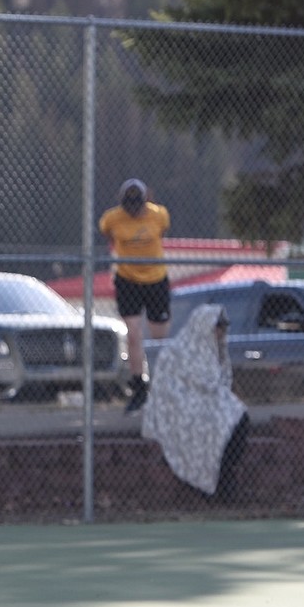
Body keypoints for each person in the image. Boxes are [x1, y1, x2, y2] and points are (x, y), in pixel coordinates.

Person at [142, 304, 249, 500]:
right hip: (179, 409)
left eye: (224, 327)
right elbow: (173, 390)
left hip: (208, 406)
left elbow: (220, 384)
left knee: (238, 419)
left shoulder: (215, 352)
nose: (221, 332)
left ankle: (224, 477)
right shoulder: (177, 352)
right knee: (222, 422)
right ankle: (216, 485)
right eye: (218, 326)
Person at [99, 178, 171, 414]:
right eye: (128, 204)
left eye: (137, 204)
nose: (133, 209)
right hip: (128, 279)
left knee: (159, 335)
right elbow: (108, 234)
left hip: (155, 279)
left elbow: (163, 230)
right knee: (133, 334)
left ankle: (162, 384)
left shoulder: (158, 215)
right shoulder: (112, 218)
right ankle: (139, 385)